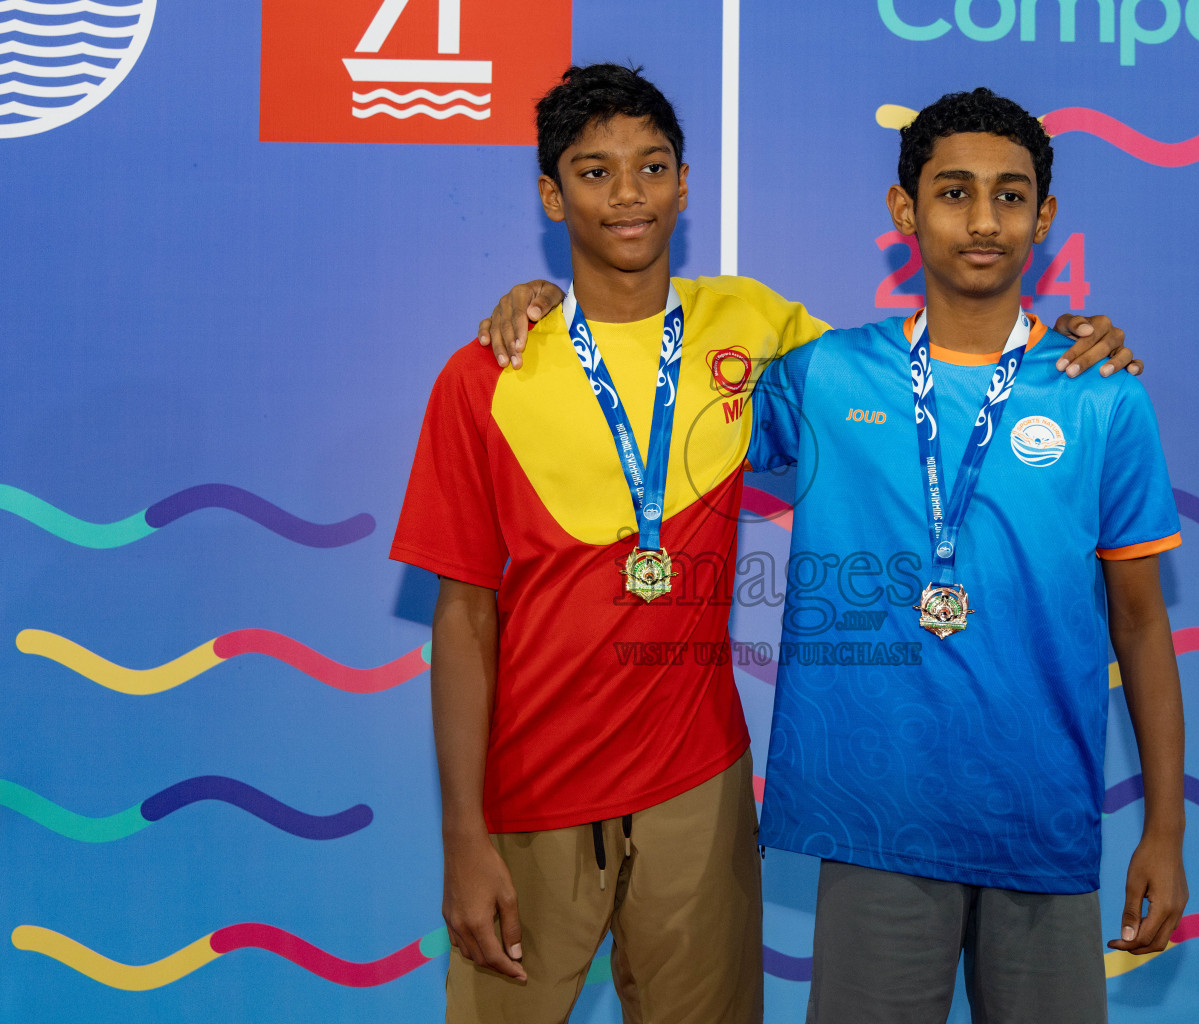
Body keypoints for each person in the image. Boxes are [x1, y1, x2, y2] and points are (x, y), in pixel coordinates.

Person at [396, 64, 1140, 1024]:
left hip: (698, 791)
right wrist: (464, 831)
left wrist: (1069, 346)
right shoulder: (488, 370)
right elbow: (460, 616)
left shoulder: (752, 325)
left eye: (652, 167)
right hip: (533, 789)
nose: (627, 194)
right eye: (593, 173)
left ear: (685, 182)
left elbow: (928, 384)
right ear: (552, 194)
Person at [744, 88, 1187, 1024]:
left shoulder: (1101, 393)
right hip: (878, 818)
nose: (984, 221)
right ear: (905, 211)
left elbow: (1143, 624)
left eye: (1010, 195)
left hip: (1042, 821)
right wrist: (548, 308)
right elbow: (661, 396)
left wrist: (1167, 830)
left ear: (1046, 217)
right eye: (954, 193)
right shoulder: (826, 375)